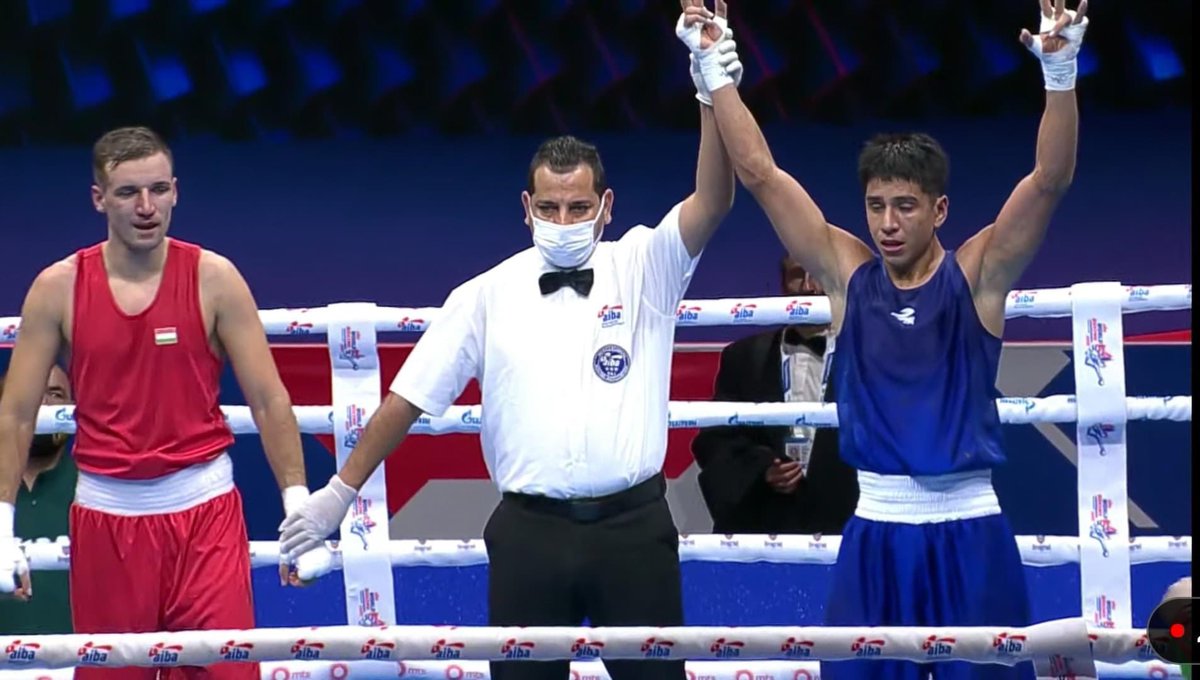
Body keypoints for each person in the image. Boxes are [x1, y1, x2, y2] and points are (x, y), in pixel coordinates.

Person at [279, 12, 742, 680]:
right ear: (525, 207)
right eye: (549, 208)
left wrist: (709, 80)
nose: (562, 222)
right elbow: (406, 401)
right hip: (529, 535)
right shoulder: (485, 294)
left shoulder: (646, 264)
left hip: (635, 529)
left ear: (606, 206)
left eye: (578, 207)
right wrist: (338, 494)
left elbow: (715, 197)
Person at [682, 0, 1088, 677]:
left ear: (939, 210)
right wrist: (714, 68)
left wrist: (1061, 74)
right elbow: (760, 175)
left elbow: (1049, 181)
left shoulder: (978, 275)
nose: (888, 223)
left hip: (969, 527)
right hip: (873, 529)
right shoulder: (847, 277)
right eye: (876, 205)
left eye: (905, 205)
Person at [0, 126, 313, 680]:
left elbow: (268, 399)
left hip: (205, 516)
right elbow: (17, 412)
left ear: (175, 191)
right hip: (107, 520)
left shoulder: (214, 279)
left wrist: (297, 506)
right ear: (99, 199)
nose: (146, 207)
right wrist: (1, 527)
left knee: (227, 673)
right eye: (128, 193)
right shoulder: (58, 287)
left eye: (158, 189)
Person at [691, 256, 857, 534]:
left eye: (818, 274)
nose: (809, 287)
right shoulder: (742, 356)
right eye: (796, 275)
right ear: (782, 284)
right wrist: (762, 469)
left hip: (846, 526)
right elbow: (714, 439)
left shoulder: (869, 357)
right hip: (765, 523)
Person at [0, 365, 75, 634]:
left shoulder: (99, 488)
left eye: (55, 394)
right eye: (29, 394)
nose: (41, 404)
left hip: (82, 662)